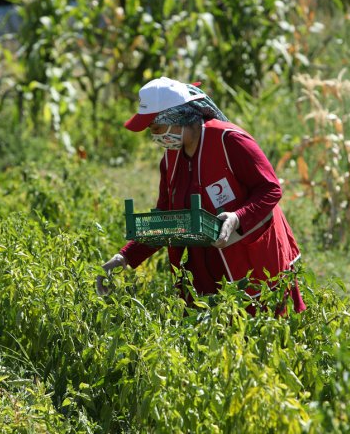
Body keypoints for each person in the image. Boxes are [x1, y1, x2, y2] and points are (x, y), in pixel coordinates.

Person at [97, 76, 306, 315]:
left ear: (176, 117)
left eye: (155, 127)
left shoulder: (230, 140)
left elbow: (270, 188)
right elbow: (167, 219)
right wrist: (125, 257)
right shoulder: (170, 158)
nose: (154, 137)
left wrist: (238, 218)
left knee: (267, 335)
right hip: (205, 273)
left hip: (251, 261)